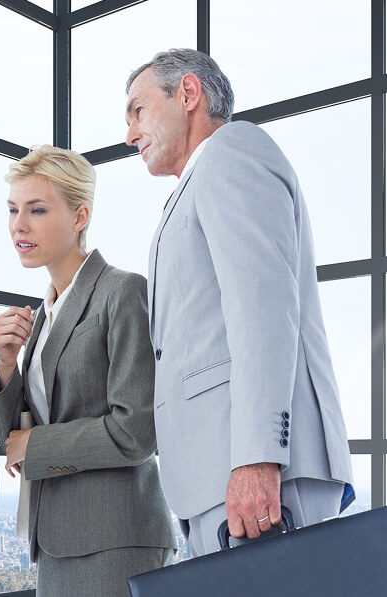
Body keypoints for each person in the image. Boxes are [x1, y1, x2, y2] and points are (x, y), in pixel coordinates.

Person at [124, 48, 355, 556]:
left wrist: (257, 457)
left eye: (138, 110)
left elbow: (263, 310)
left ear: (188, 93)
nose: (129, 133)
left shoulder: (233, 152)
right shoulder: (193, 187)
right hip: (214, 480)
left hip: (260, 475)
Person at [0, 145, 175, 597]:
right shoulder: (42, 315)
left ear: (79, 216)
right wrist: (8, 364)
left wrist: (37, 445)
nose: (19, 225)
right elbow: (16, 441)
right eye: (13, 210)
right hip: (55, 541)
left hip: (114, 537)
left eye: (36, 209)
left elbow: (136, 431)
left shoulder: (122, 292)